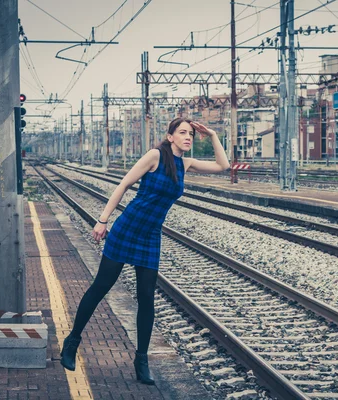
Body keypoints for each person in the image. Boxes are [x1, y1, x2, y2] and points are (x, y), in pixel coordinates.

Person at [60, 118, 230, 385]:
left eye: (190, 134)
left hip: (151, 236)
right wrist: (103, 219)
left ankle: (141, 360)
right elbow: (124, 185)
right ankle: (72, 342)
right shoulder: (155, 156)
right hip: (127, 229)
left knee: (147, 298)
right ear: (170, 136)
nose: (188, 137)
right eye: (182, 133)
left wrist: (212, 136)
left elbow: (223, 166)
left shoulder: (185, 164)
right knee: (100, 287)